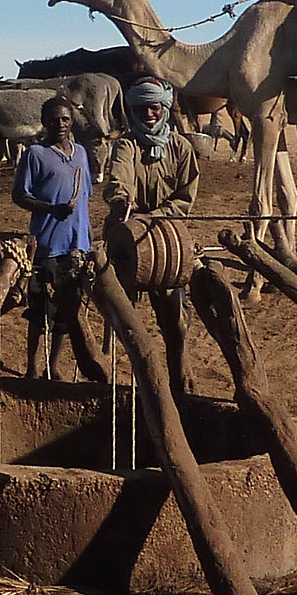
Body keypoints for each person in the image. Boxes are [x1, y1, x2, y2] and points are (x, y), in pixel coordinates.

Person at [98, 77, 199, 381]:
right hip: (126, 239)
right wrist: (121, 199)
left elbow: (185, 198)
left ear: (164, 107)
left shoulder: (181, 147)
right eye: (141, 108)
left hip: (167, 241)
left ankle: (180, 371)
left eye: (154, 107)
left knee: (175, 317)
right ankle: (120, 376)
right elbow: (118, 179)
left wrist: (155, 216)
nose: (149, 114)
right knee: (121, 315)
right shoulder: (126, 144)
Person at [13, 95, 93, 380]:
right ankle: (33, 367)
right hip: (46, 244)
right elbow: (20, 195)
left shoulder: (81, 154)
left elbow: (86, 197)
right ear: (44, 122)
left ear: (71, 122)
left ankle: (54, 366)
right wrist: (50, 209)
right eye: (54, 119)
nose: (59, 124)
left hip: (76, 246)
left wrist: (87, 240)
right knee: (39, 311)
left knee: (66, 313)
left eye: (64, 119)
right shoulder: (35, 153)